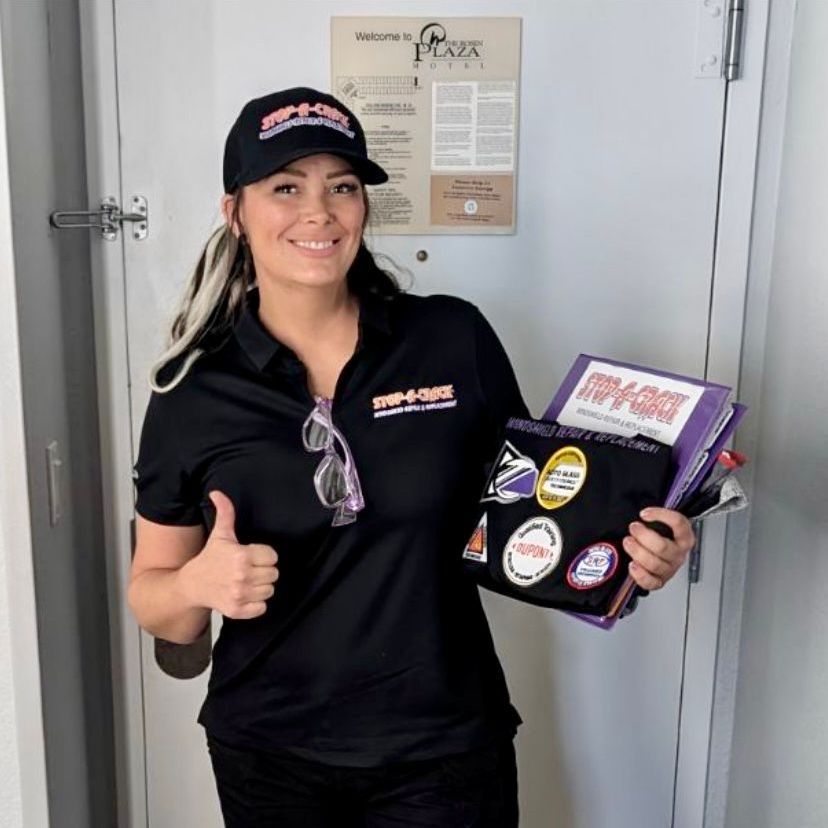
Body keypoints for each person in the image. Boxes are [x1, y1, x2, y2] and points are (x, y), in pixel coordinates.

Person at [127, 87, 695, 828]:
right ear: (235, 213)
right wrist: (198, 583)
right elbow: (157, 603)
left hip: (443, 747)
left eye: (342, 187)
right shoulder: (193, 391)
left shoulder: (451, 339)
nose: (318, 212)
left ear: (363, 206)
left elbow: (538, 514)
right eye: (285, 188)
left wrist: (633, 558)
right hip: (270, 755)